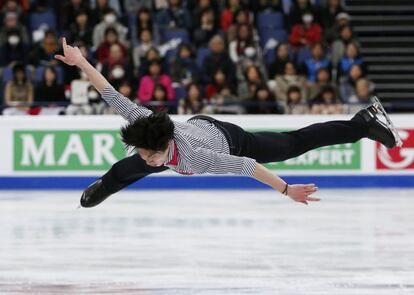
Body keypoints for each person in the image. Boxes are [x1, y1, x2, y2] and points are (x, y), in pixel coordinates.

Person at [55, 38, 399, 208]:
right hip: (192, 126)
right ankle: (107, 184)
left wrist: (286, 190)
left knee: (292, 144)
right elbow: (109, 91)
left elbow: (248, 166)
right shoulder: (145, 126)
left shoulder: (197, 158)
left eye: (151, 154)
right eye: (145, 152)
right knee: (130, 167)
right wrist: (81, 60)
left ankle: (362, 123)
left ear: (166, 149)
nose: (147, 156)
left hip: (228, 139)